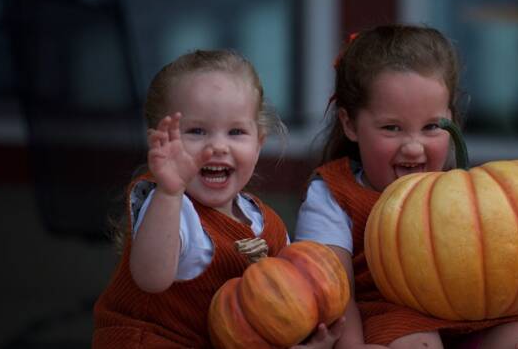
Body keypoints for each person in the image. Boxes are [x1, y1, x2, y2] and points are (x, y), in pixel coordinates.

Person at [295, 25, 518, 349]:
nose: (414, 147)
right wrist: (353, 347)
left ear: (453, 119)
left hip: (476, 316)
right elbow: (334, 285)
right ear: (350, 124)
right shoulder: (333, 193)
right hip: (391, 322)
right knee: (420, 344)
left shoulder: (471, 196)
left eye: (432, 126)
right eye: (392, 128)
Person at [93, 49, 344, 348]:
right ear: (160, 143)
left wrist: (304, 338)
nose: (217, 146)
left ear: (259, 143)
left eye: (236, 132)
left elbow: (285, 305)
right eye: (197, 131)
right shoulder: (171, 206)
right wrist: (170, 191)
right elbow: (150, 277)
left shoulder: (265, 225)